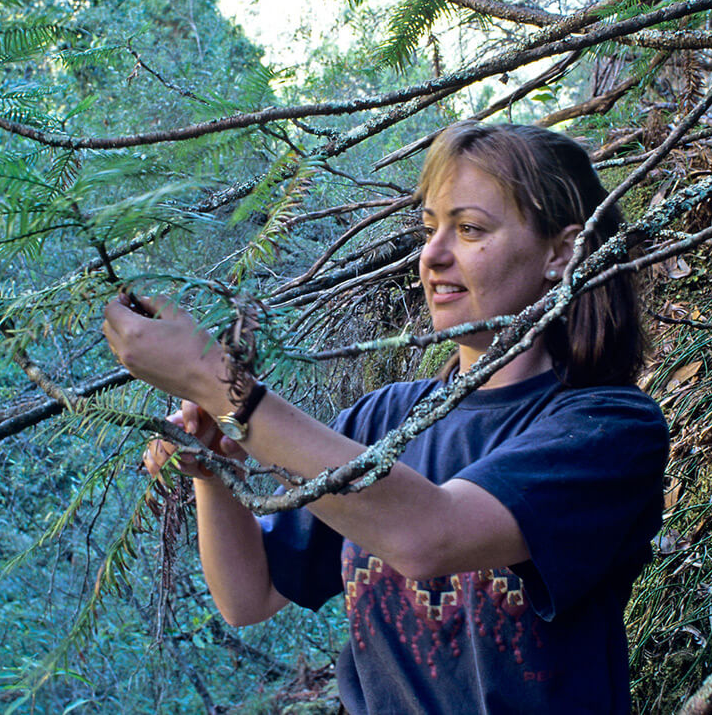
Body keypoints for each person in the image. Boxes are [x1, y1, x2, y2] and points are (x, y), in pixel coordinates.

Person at [102, 121, 669, 714]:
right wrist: (213, 469)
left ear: (559, 253)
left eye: (469, 229)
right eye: (430, 228)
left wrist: (218, 384)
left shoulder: (609, 430)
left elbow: (428, 536)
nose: (433, 255)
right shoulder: (385, 418)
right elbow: (251, 595)